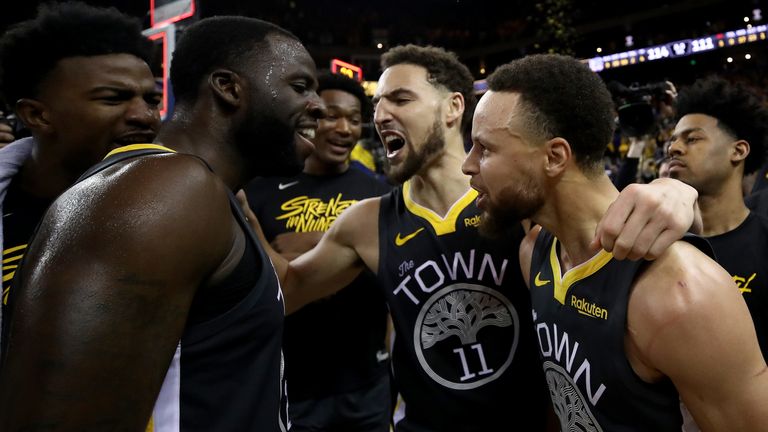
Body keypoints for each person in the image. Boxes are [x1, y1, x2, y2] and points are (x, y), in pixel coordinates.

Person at [258, 44, 702, 432]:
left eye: (401, 98)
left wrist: (675, 193)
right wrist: (240, 209)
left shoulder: (519, 202)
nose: (381, 114)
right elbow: (286, 291)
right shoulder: (365, 220)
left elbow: (600, 217)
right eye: (379, 104)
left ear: (453, 108)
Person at [0, 15, 325, 432]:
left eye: (150, 98)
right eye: (300, 87)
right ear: (228, 88)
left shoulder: (198, 192)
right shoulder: (168, 189)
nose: (318, 105)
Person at [461, 53, 768, 431]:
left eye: (485, 148)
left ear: (555, 156)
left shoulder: (679, 292)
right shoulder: (535, 252)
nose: (468, 165)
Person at [0, 1, 161, 358]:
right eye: (113, 99)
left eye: (151, 99)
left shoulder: (178, 207)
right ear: (37, 114)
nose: (143, 116)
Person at [244, 71, 391, 432]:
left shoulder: (378, 191)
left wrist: (313, 242)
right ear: (308, 116)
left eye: (355, 120)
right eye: (331, 115)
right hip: (291, 383)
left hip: (366, 383)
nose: (344, 128)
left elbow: (390, 265)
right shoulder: (261, 189)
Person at [667, 76, 768, 358]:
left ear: (738, 151)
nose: (673, 148)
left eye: (692, 138)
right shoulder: (659, 248)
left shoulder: (764, 242)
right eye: (673, 139)